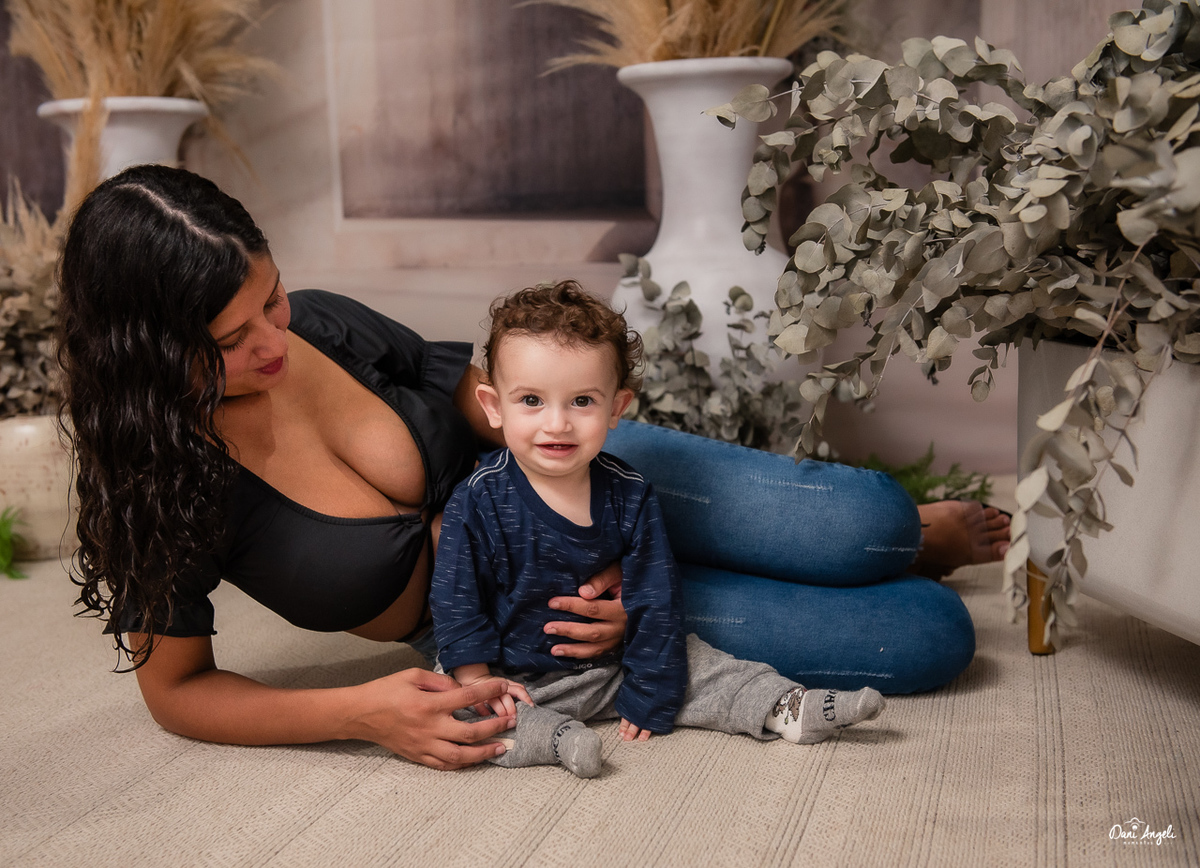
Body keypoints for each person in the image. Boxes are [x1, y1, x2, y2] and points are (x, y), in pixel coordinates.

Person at [58, 165, 1004, 772]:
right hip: (526, 627)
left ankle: (906, 539)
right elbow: (177, 692)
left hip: (588, 467)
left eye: (272, 298)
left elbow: (487, 391)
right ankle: (872, 563)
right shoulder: (158, 482)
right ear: (151, 354)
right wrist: (360, 713)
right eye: (233, 339)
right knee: (928, 638)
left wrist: (590, 496)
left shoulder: (324, 324)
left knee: (872, 522)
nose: (276, 339)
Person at [429, 282, 885, 778]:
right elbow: (456, 604)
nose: (557, 423)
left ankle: (787, 706)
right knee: (457, 709)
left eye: (581, 401)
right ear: (494, 406)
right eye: (532, 400)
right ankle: (555, 739)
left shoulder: (629, 493)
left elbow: (654, 597)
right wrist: (476, 680)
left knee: (698, 662)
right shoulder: (476, 500)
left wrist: (650, 689)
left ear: (616, 407)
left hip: (614, 665)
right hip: (516, 676)